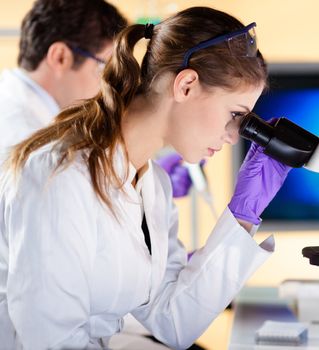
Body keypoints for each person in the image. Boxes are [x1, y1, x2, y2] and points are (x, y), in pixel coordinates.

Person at [0, 6, 291, 350]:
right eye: (234, 114)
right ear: (186, 85)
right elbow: (51, 342)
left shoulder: (152, 185)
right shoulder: (60, 175)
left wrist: (243, 214)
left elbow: (172, 321)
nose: (232, 137)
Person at [0, 0, 127, 164]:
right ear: (60, 57)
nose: (107, 87)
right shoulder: (24, 139)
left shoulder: (13, 102)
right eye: (102, 68)